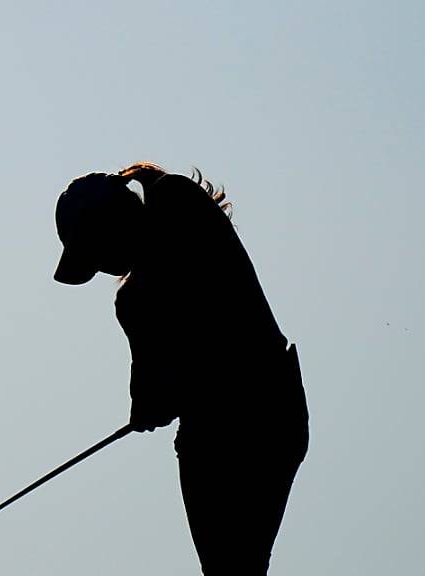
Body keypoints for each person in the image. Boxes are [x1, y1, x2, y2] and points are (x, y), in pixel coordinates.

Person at [53, 162, 309, 575]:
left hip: (263, 407)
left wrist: (154, 394)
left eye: (95, 251)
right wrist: (148, 406)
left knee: (237, 566)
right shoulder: (132, 304)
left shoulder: (174, 199)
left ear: (111, 223)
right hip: (210, 431)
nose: (101, 266)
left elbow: (169, 264)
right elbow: (153, 393)